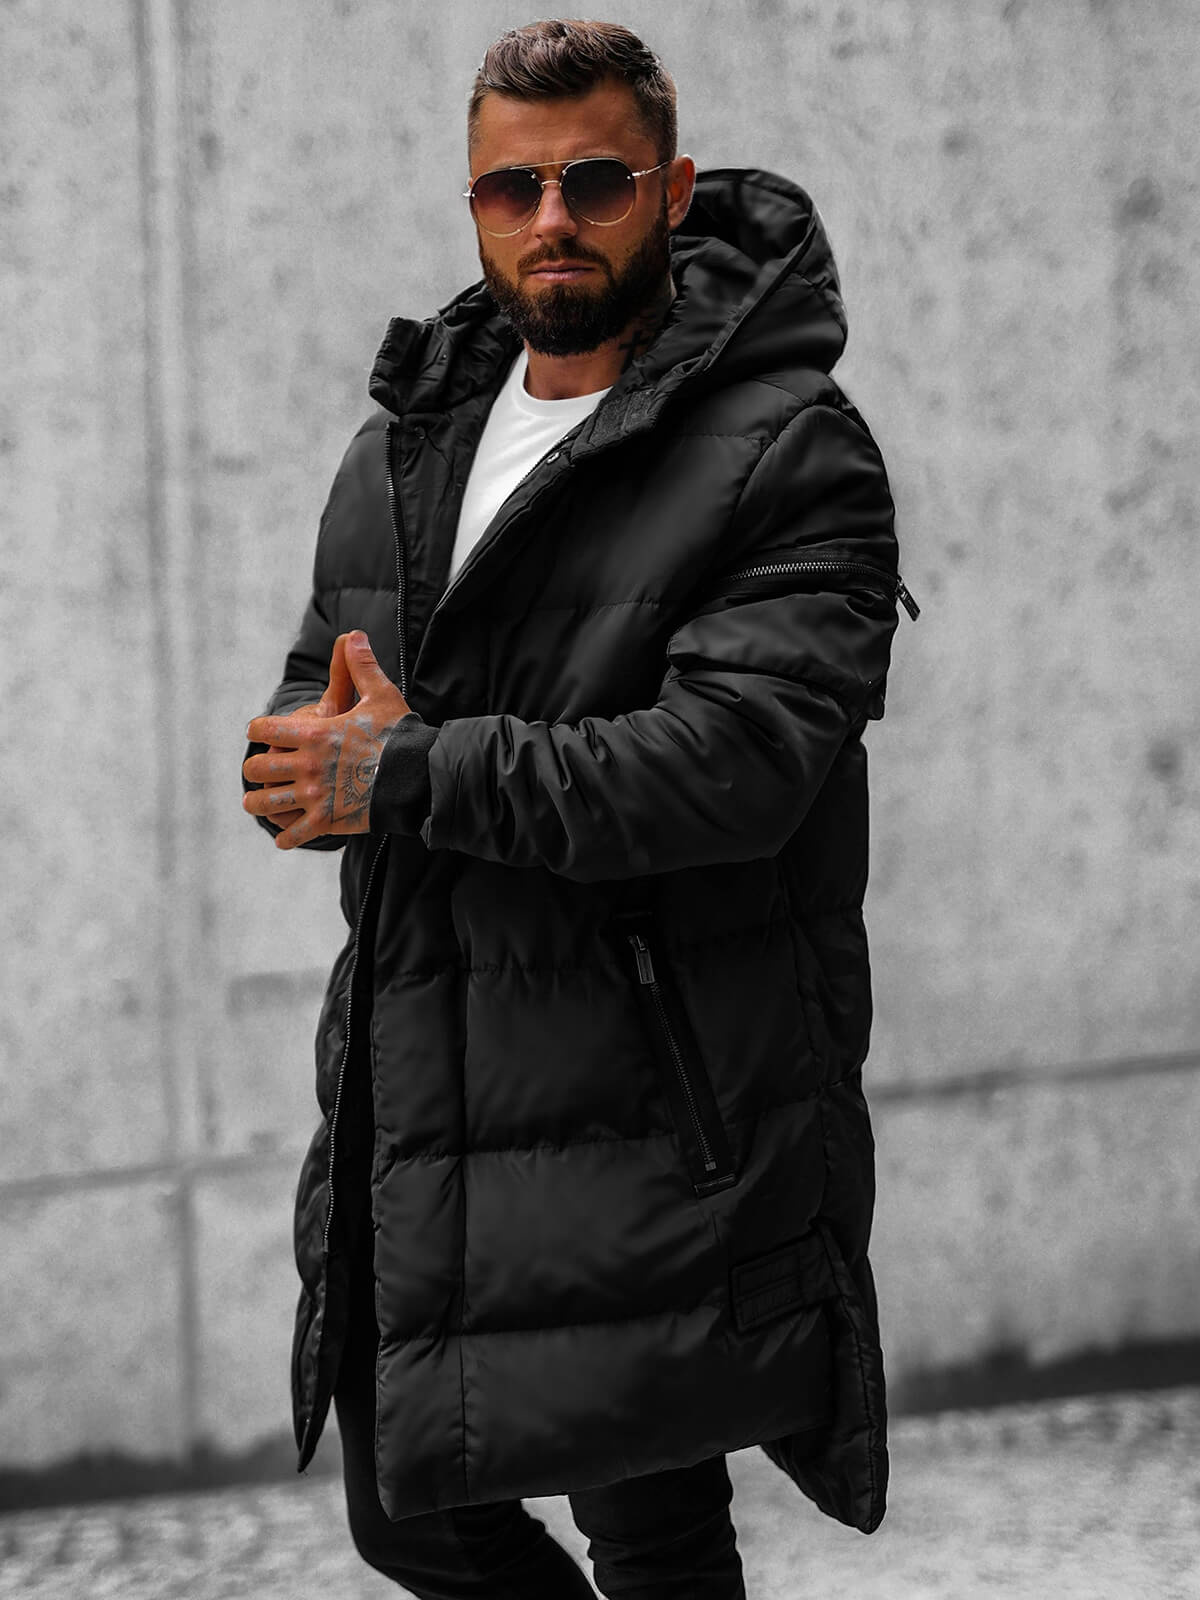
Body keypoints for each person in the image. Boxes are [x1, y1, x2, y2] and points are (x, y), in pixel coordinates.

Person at [241, 18, 917, 1599]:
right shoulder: (406, 445)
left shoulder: (788, 451)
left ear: (671, 191)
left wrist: (404, 772)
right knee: (410, 1511)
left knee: (651, 1532)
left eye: (596, 182)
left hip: (647, 1091)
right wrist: (298, 772)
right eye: (512, 188)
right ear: (474, 204)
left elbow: (735, 765)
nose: (551, 218)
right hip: (425, 1090)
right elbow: (321, 696)